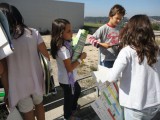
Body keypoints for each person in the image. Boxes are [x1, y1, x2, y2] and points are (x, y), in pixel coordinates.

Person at [99, 14, 160, 120]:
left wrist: (103, 72)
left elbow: (112, 77)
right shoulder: (156, 49)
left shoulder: (127, 51)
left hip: (135, 105)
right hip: (155, 103)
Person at [0, 3, 50, 120]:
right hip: (36, 79)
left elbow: (3, 70)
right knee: (39, 105)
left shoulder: (4, 41)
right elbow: (46, 57)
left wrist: (7, 93)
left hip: (18, 85)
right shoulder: (33, 32)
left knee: (28, 113)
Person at [50, 18, 87, 120]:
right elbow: (69, 68)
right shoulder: (63, 49)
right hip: (67, 80)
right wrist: (80, 58)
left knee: (78, 90)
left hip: (70, 78)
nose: (72, 33)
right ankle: (68, 116)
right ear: (60, 33)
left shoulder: (67, 44)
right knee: (69, 99)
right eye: (69, 31)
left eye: (71, 30)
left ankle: (73, 108)